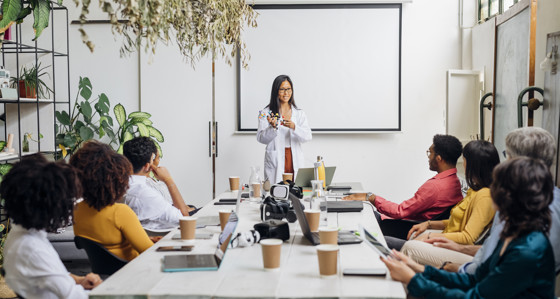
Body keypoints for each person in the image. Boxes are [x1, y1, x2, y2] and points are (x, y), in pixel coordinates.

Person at [382, 157, 556, 298]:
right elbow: (474, 280)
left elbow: (475, 296)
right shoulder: (512, 233)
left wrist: (413, 280)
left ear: (509, 196)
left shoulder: (527, 251)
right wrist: (419, 269)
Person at [423, 127, 560, 274]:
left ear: (519, 163)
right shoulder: (554, 198)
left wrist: (453, 267)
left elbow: (489, 266)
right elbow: (494, 251)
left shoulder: (519, 206)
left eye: (507, 156)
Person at [2, 155, 102, 298]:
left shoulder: (21, 235)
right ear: (50, 207)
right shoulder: (33, 249)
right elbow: (75, 296)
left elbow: (47, 273)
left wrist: (79, 280)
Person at [392, 140, 500, 266]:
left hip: (465, 251)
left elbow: (468, 238)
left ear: (472, 164)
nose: (463, 164)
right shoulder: (475, 189)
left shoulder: (484, 196)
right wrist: (429, 224)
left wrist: (430, 236)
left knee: (411, 247)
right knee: (415, 237)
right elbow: (460, 221)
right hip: (454, 238)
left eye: (464, 160)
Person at [344, 134, 464, 223]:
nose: (428, 157)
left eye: (430, 153)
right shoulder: (455, 182)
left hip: (402, 227)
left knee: (360, 216)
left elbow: (399, 212)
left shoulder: (435, 187)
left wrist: (371, 197)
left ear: (439, 158)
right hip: (410, 224)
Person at [72, 141, 154, 261]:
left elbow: (107, 240)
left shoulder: (76, 210)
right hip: (133, 272)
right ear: (117, 179)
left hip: (104, 274)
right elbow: (149, 252)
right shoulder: (120, 212)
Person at [123, 137, 195, 230]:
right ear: (147, 166)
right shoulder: (146, 194)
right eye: (153, 159)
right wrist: (168, 179)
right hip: (165, 238)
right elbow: (185, 219)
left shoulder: (118, 186)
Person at [257, 75, 312, 184]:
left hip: (293, 157)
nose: (286, 93)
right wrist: (272, 127)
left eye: (288, 89)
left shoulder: (299, 113)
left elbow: (307, 136)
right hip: (276, 158)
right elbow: (261, 138)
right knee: (276, 193)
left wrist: (294, 127)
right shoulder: (265, 113)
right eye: (282, 89)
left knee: (295, 191)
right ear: (276, 91)